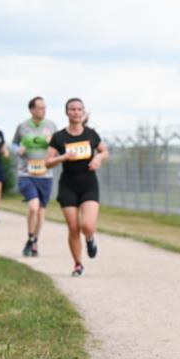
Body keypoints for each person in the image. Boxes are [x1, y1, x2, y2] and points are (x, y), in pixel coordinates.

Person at [45, 98, 107, 276]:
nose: (76, 112)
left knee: (87, 225)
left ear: (83, 112)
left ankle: (90, 237)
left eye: (79, 109)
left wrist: (98, 158)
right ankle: (78, 265)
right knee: (73, 228)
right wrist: (63, 157)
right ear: (67, 112)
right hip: (68, 185)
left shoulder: (91, 134)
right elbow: (47, 162)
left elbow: (104, 151)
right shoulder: (59, 137)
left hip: (89, 184)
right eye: (72, 109)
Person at [13, 96, 57, 257]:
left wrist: (53, 145)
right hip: (26, 173)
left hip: (45, 174)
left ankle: (33, 241)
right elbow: (14, 144)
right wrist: (17, 150)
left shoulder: (51, 126)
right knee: (33, 207)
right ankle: (31, 237)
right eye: (40, 108)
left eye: (45, 107)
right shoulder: (23, 126)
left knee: (41, 210)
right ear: (32, 109)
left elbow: (59, 146)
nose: (43, 110)